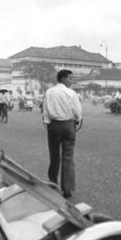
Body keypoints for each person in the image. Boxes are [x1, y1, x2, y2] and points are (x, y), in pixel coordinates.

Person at [42, 69, 82, 199]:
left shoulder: (49, 92)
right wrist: (77, 119)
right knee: (68, 157)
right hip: (68, 126)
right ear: (63, 79)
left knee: (54, 156)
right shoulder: (71, 93)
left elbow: (45, 111)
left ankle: (53, 183)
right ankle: (67, 189)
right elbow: (77, 112)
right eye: (70, 78)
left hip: (53, 126)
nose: (71, 81)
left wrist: (47, 124)